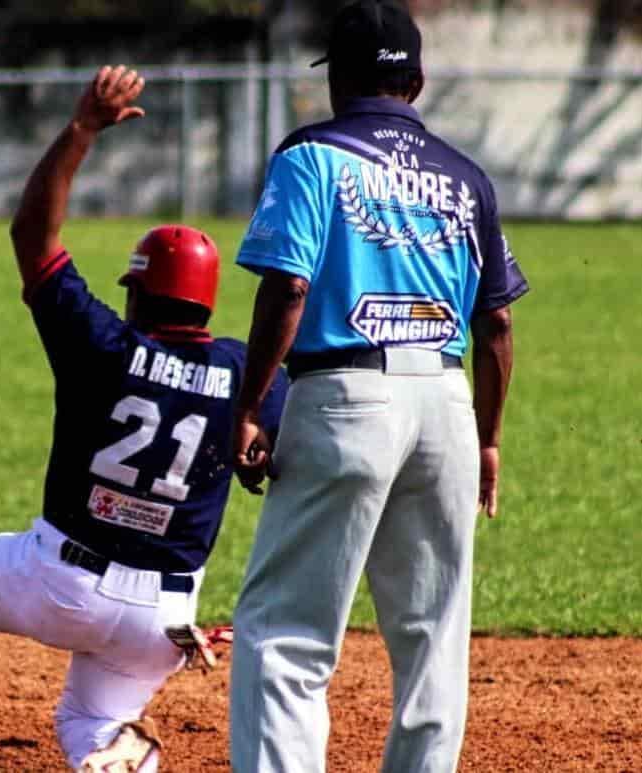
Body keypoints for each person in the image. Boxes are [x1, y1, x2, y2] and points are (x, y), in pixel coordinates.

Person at [0, 65, 289, 772]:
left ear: (137, 292)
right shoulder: (247, 373)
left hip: (61, 582)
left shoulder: (103, 342)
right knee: (89, 719)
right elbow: (287, 449)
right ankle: (114, 752)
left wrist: (80, 130)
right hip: (166, 615)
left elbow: (31, 234)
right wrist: (257, 453)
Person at [226, 2, 530, 771]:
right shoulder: (464, 176)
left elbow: (287, 287)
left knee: (286, 634)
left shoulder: (311, 155)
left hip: (343, 397)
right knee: (433, 640)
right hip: (448, 405)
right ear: (417, 81)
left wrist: (249, 406)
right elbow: (494, 326)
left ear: (338, 82)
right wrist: (488, 439)